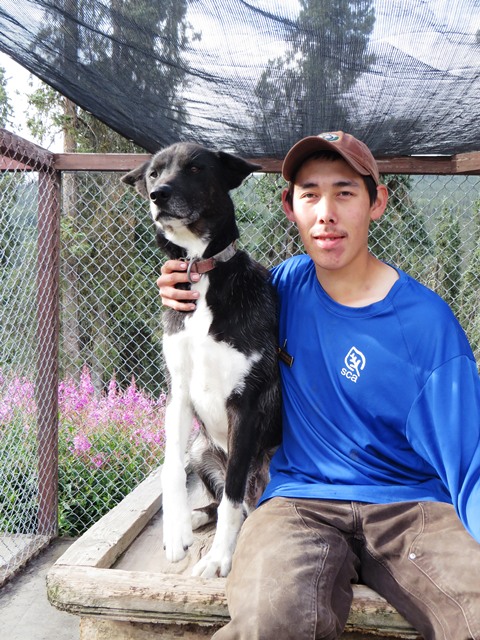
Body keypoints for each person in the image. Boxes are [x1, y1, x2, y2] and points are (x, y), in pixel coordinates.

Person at [156, 131, 480, 640]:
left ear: (377, 202)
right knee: (270, 620)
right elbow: (219, 283)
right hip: (297, 502)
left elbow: (471, 462)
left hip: (409, 505)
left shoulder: (428, 325)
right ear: (290, 207)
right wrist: (181, 278)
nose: (325, 212)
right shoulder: (281, 288)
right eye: (310, 194)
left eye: (345, 192)